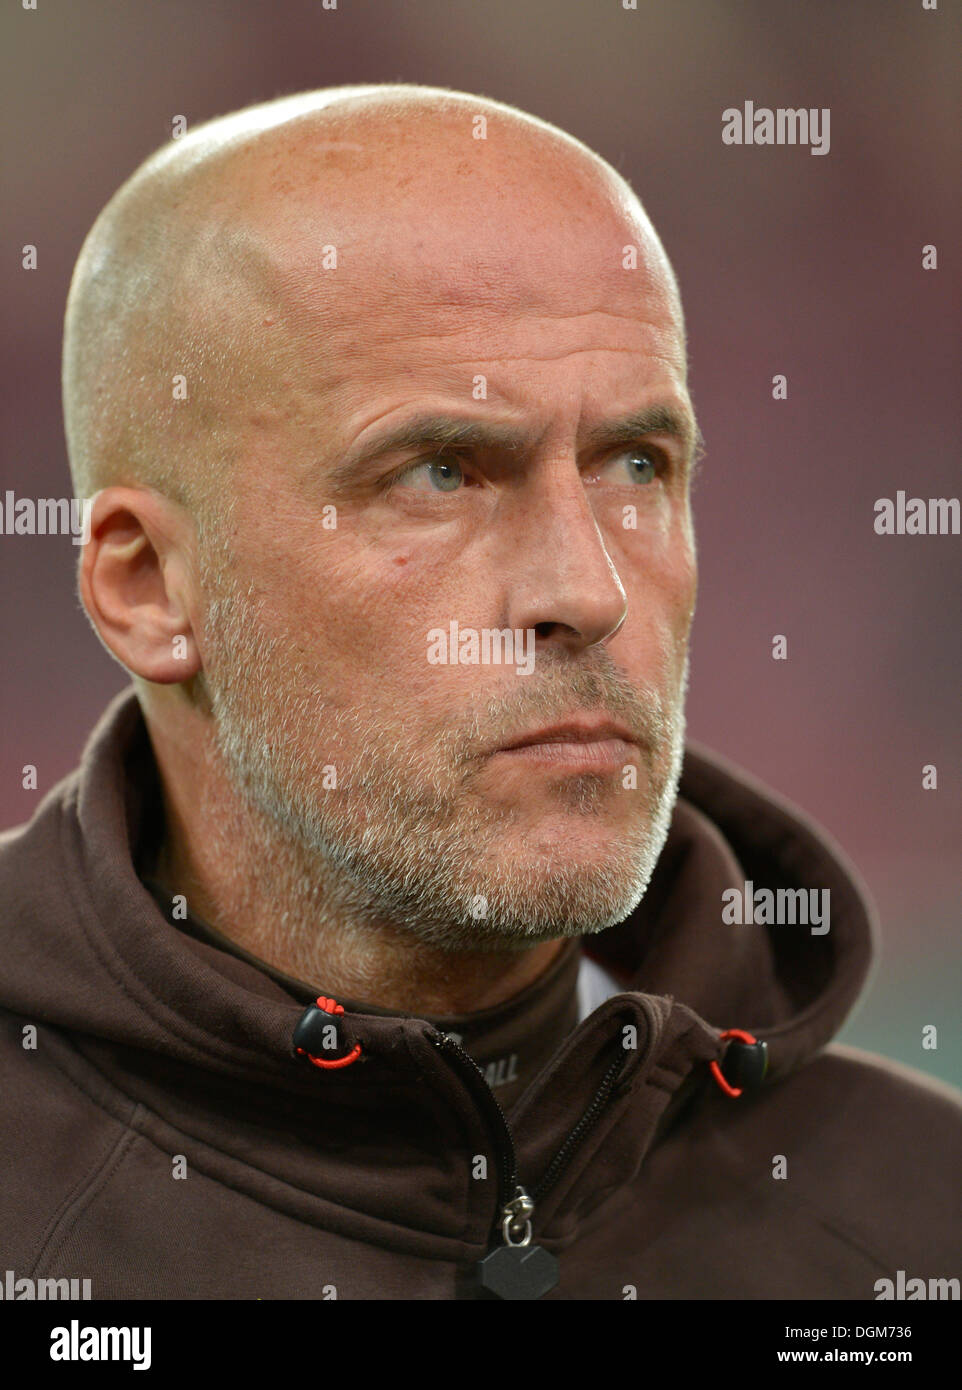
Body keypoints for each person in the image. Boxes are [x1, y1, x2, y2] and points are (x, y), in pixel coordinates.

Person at [1, 84, 958, 1302]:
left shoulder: (918, 1224)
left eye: (635, 464)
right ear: (147, 587)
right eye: (441, 472)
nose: (588, 591)